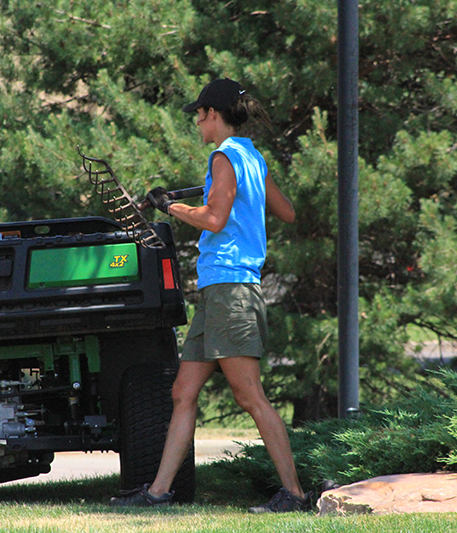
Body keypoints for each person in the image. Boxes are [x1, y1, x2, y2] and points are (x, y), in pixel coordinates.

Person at [110, 78, 314, 513]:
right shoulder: (251, 156)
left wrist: (172, 207)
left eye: (199, 115)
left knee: (250, 397)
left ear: (211, 115)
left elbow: (216, 219)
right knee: (183, 391)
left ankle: (294, 494)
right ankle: (159, 491)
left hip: (230, 289)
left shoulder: (223, 155)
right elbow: (287, 212)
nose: (197, 123)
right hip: (219, 290)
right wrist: (228, 195)